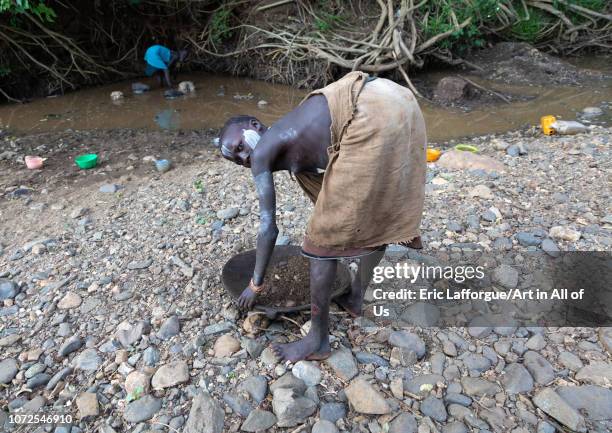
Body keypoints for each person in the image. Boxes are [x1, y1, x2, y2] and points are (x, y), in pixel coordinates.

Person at [218, 71, 427, 362]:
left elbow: (268, 229)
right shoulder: (290, 135)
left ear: (255, 125)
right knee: (373, 214)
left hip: (370, 111)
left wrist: (256, 284)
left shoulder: (265, 147)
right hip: (397, 100)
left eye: (239, 147)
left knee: (319, 244)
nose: (243, 158)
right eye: (235, 159)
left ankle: (318, 339)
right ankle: (355, 296)